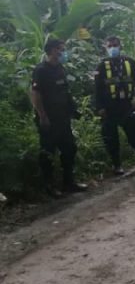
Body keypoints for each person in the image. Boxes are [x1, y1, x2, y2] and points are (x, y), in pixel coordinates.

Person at [93, 36, 135, 175]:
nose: (113, 48)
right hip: (109, 108)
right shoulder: (101, 66)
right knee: (111, 138)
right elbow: (96, 89)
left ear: (120, 46)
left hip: (127, 106)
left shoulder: (130, 62)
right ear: (106, 48)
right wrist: (99, 108)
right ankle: (117, 166)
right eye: (110, 46)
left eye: (115, 45)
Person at [31, 39, 88, 197]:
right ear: (51, 51)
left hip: (63, 118)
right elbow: (35, 94)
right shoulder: (41, 70)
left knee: (70, 148)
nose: (63, 52)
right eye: (60, 49)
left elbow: (65, 92)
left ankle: (68, 182)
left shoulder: (60, 68)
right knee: (48, 152)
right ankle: (49, 186)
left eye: (63, 49)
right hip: (49, 118)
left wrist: (73, 110)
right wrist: (42, 116)